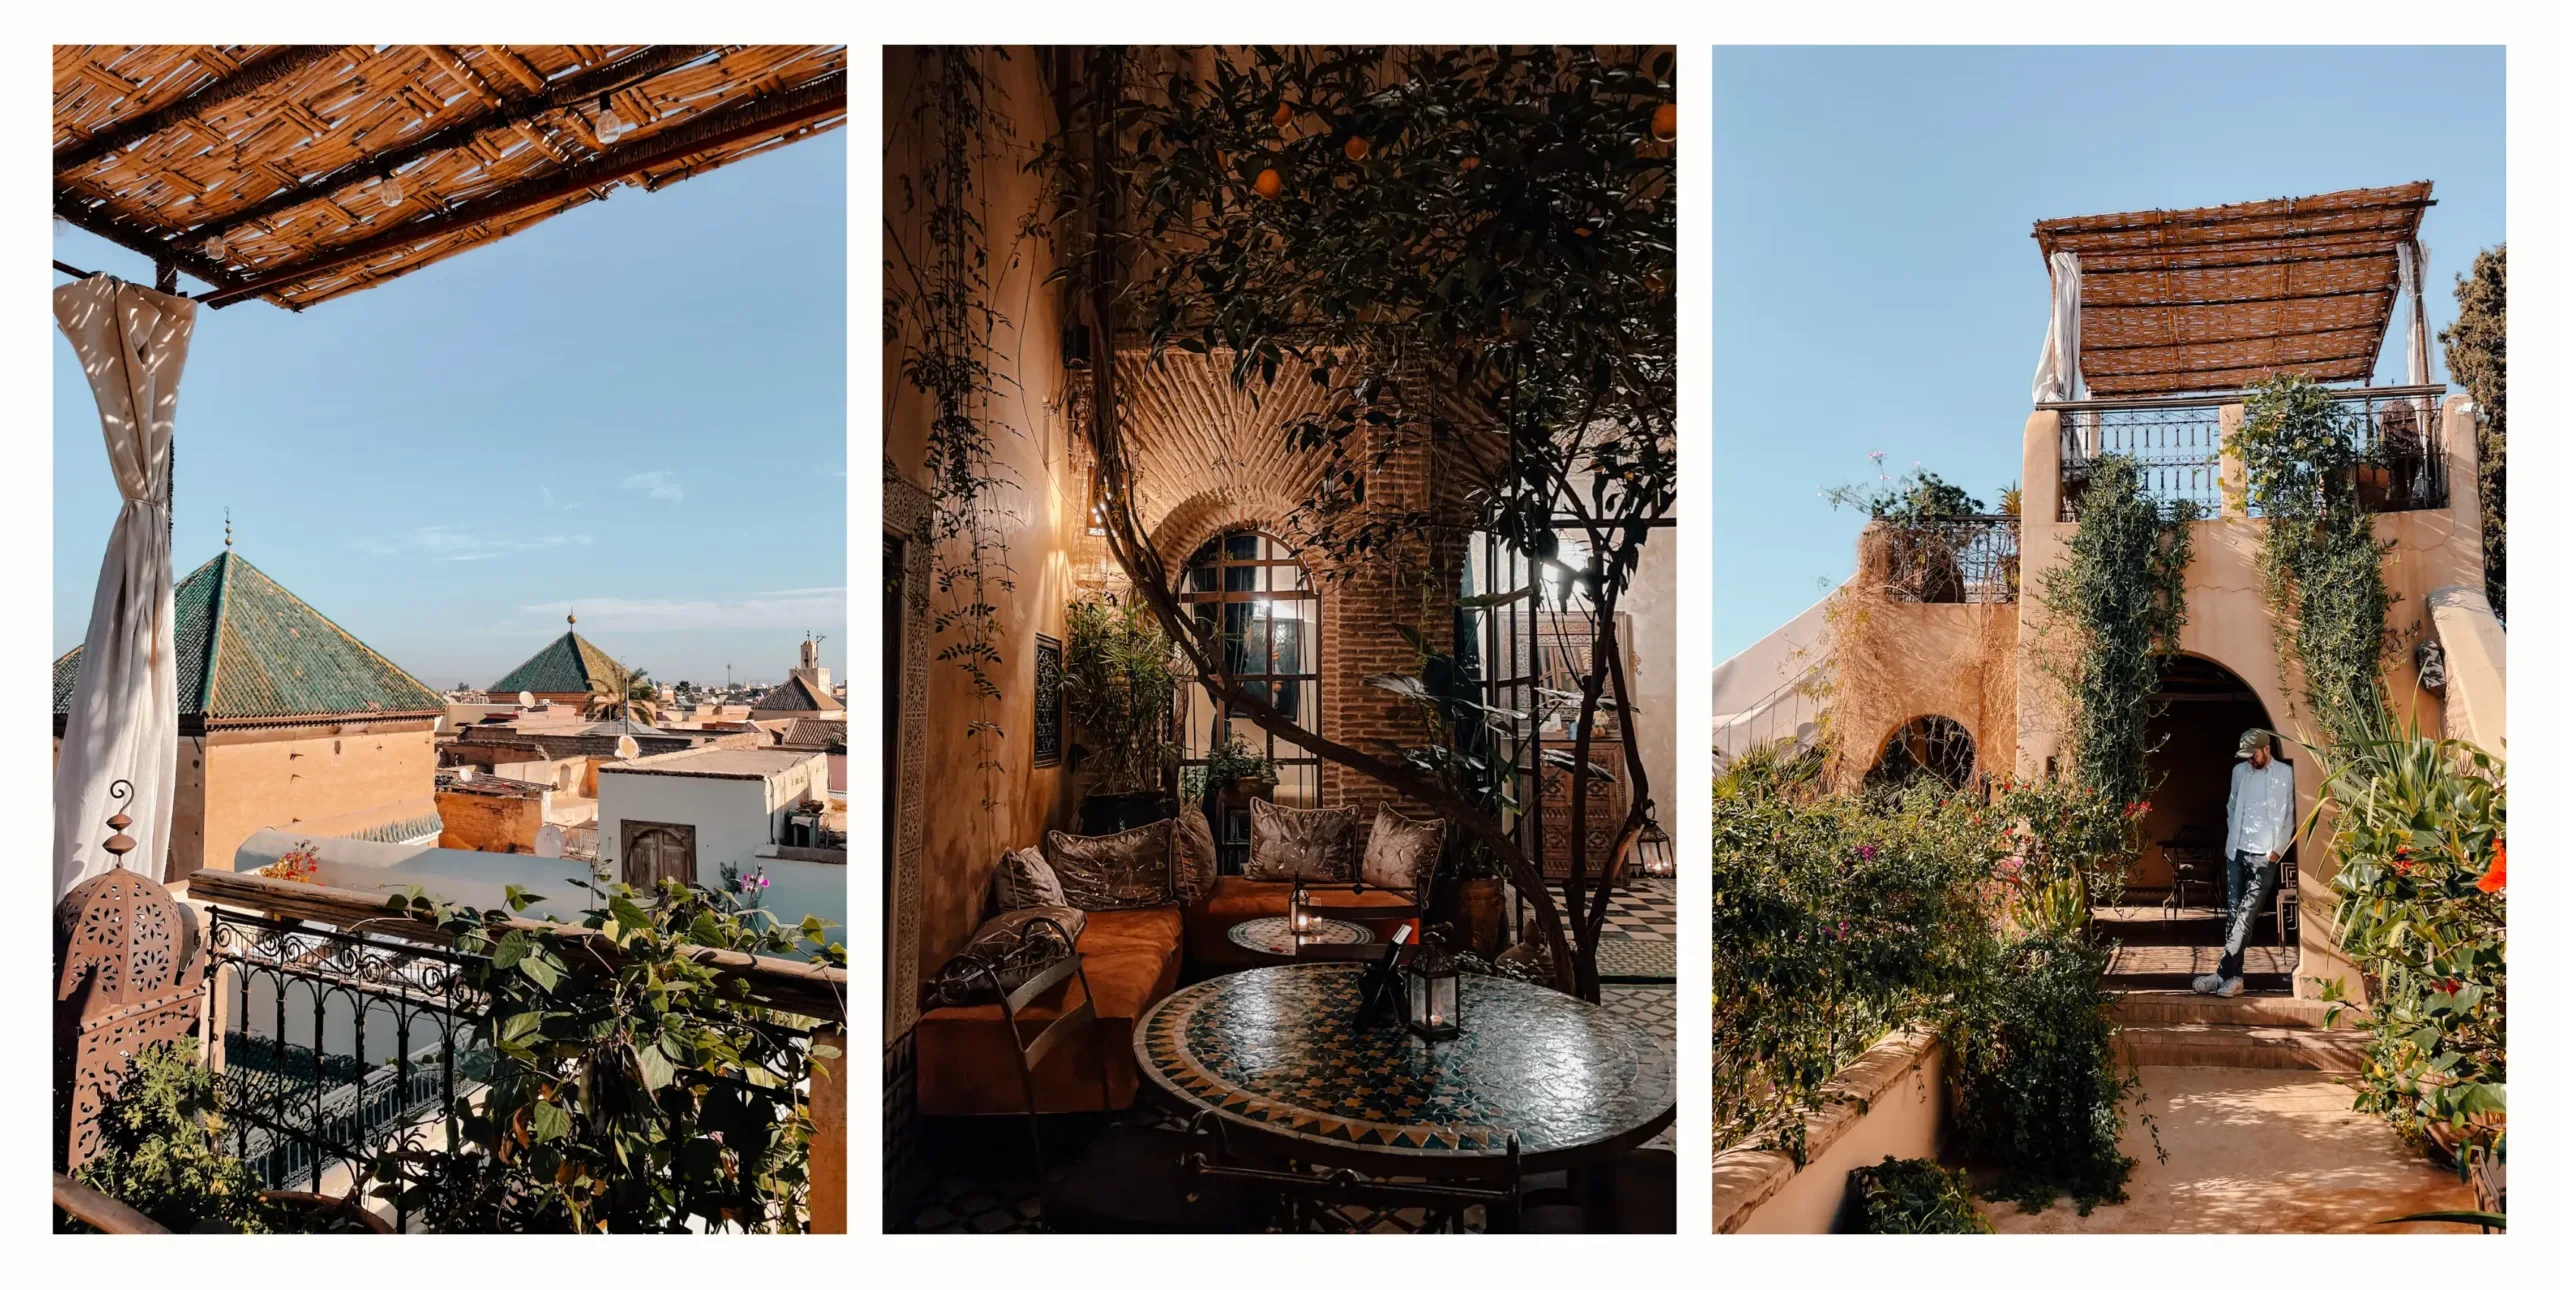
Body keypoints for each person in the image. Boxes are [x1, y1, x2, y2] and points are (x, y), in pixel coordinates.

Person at [2195, 728, 2294, 998]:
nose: (2250, 760)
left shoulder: (2285, 775)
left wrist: (2276, 852)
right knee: (2233, 916)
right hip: (2237, 852)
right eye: (2246, 756)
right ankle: (2234, 979)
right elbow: (2232, 806)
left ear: (2266, 749)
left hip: (2265, 856)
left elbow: (2289, 816)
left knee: (2246, 916)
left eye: (2253, 755)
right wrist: (2232, 843)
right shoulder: (2239, 772)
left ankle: (2221, 974)